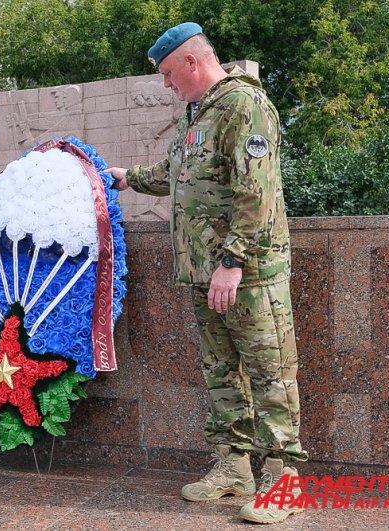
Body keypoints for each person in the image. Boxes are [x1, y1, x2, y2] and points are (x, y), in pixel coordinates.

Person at [107, 23, 308, 524]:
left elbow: (255, 193)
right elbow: (179, 173)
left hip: (249, 274)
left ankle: (284, 482)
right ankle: (234, 468)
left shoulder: (244, 105)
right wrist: (128, 178)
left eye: (170, 74)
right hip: (205, 272)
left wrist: (232, 262)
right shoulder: (201, 113)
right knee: (222, 373)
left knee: (270, 374)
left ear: (192, 62)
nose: (168, 85)